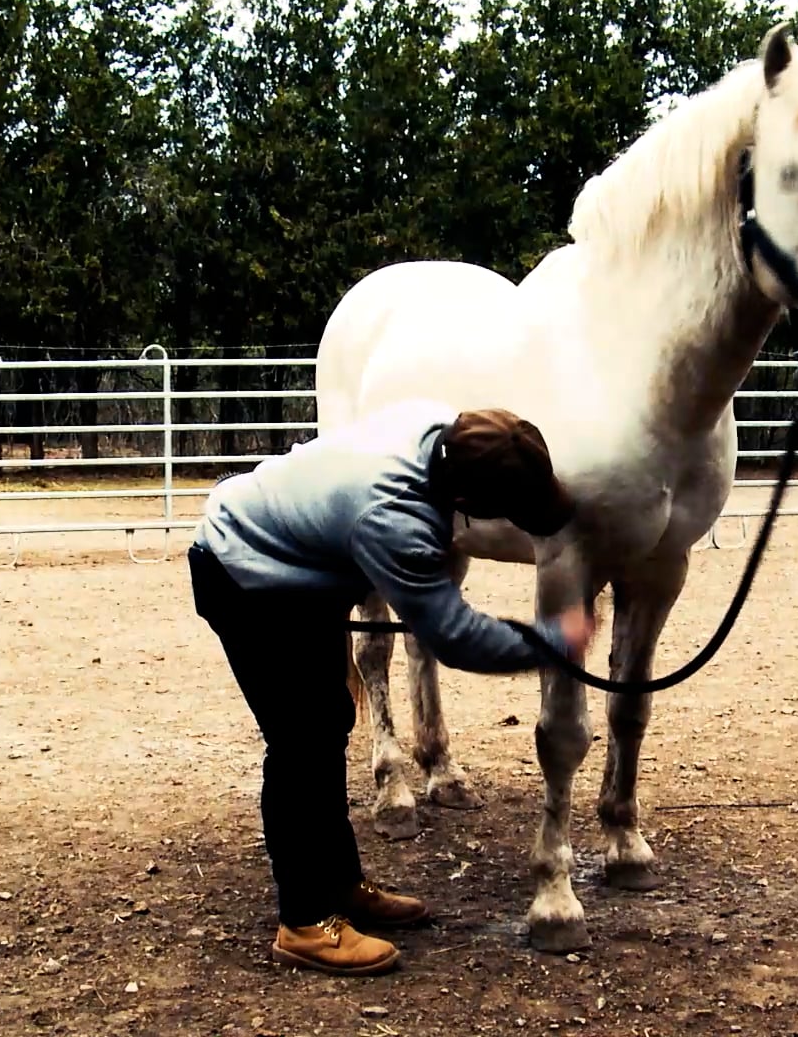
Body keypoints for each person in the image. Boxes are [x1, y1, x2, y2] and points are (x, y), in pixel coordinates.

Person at [187, 397, 598, 976]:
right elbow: (456, 638)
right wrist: (552, 642)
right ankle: (304, 922)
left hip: (288, 560)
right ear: (464, 503)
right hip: (245, 573)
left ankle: (339, 885)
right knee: (300, 742)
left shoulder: (440, 426)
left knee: (328, 722)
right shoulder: (393, 519)